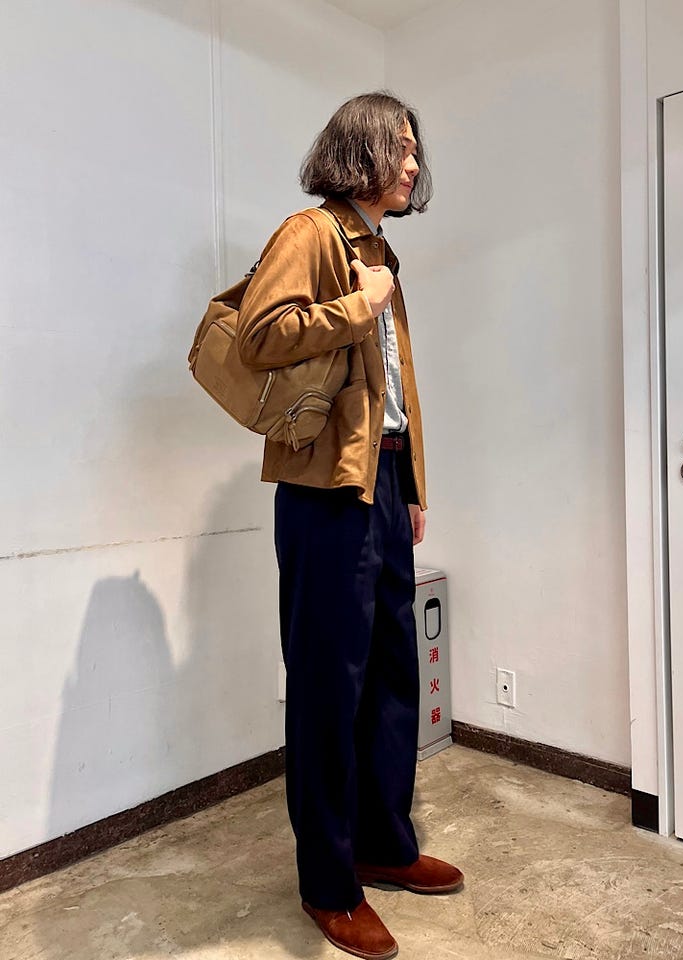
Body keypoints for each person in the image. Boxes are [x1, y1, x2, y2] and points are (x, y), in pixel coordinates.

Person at [236, 91, 463, 960]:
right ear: (359, 150)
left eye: (415, 149)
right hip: (325, 489)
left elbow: (397, 389)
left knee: (394, 673)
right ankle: (328, 885)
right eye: (399, 146)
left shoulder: (379, 250)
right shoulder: (310, 234)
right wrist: (357, 306)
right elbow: (260, 337)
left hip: (382, 477)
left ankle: (382, 845)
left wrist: (413, 483)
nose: (412, 162)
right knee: (330, 685)